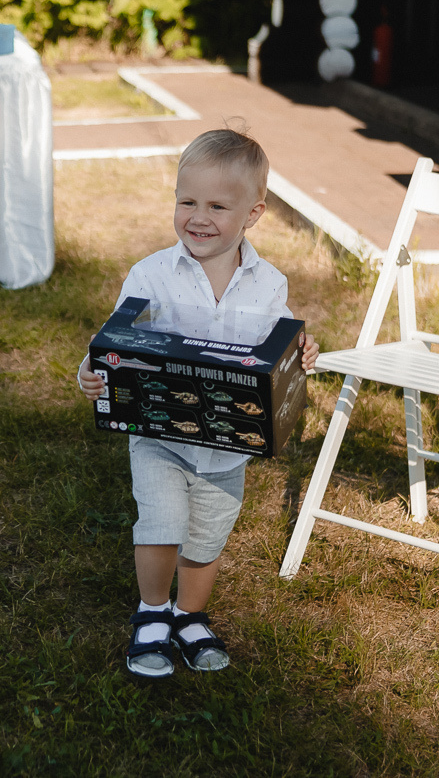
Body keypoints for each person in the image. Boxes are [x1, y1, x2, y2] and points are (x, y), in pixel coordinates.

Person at [77, 127, 319, 679]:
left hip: (226, 446)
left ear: (253, 214)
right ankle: (152, 612)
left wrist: (301, 348)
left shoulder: (268, 283)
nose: (198, 217)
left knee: (208, 534)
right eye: (187, 201)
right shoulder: (151, 274)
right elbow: (112, 341)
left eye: (217, 205)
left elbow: (277, 346)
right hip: (160, 435)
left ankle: (190, 614)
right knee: (161, 523)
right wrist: (91, 374)